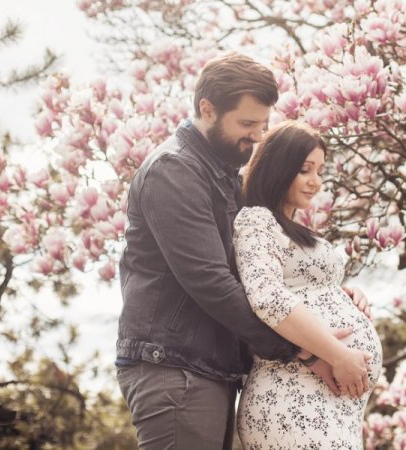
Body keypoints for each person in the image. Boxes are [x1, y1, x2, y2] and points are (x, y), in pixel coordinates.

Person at [115, 52, 372, 449]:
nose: (257, 135)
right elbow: (212, 281)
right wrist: (304, 350)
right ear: (208, 109)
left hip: (209, 369)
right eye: (247, 123)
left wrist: (331, 294)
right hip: (175, 367)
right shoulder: (175, 171)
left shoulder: (222, 177)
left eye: (263, 124)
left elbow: (256, 270)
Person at [234, 121, 383, 449]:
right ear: (278, 168)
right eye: (305, 170)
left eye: (320, 170)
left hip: (326, 402)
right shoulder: (257, 219)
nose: (316, 182)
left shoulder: (290, 227)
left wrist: (343, 295)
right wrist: (339, 355)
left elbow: (299, 285)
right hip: (289, 393)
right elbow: (266, 297)